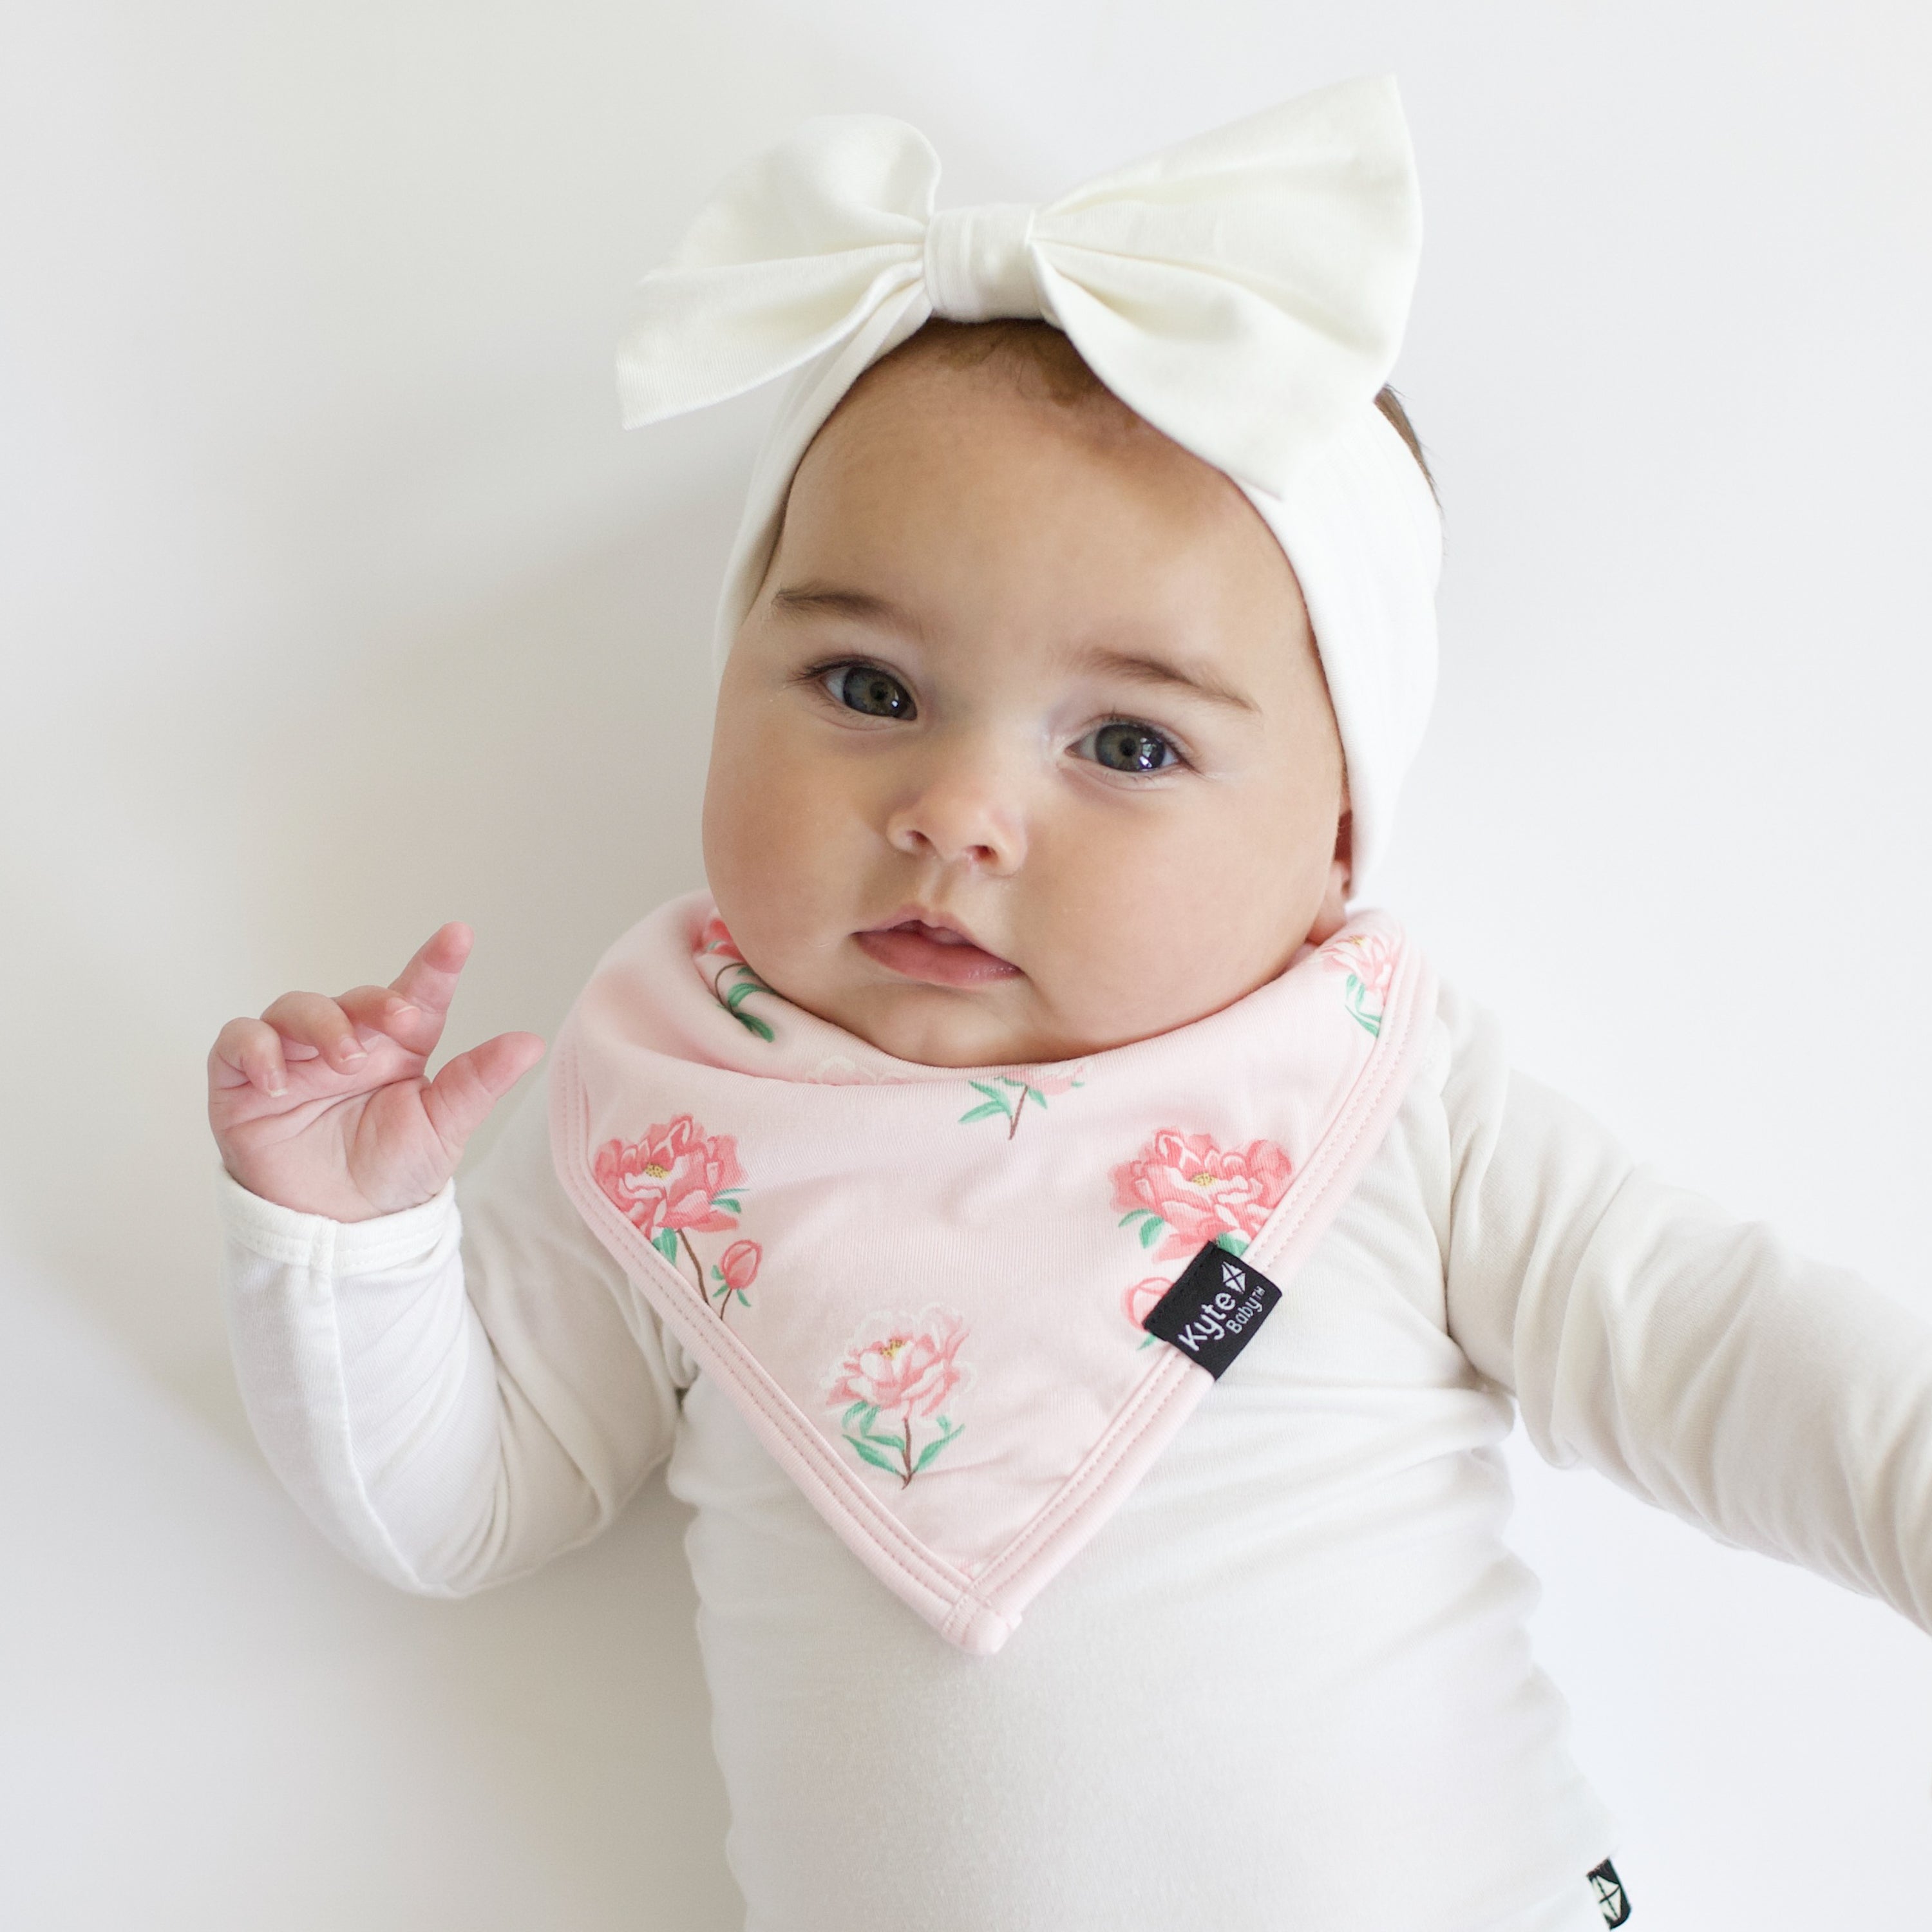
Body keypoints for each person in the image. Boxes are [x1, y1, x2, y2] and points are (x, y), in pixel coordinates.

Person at [205, 80, 1932, 1931]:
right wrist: (350, 1246)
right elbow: (465, 1503)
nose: (957, 810)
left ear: (1336, 841)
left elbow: (1715, 1347)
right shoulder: (681, 1121)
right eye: (868, 688)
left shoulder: (1386, 1098)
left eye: (1128, 743)